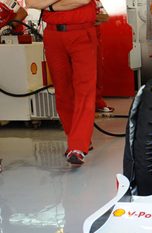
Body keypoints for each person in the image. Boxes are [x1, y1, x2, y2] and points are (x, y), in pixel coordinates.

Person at [26, 0, 97, 165]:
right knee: (62, 91)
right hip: (53, 35)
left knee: (84, 90)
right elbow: (31, 3)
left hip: (82, 33)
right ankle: (76, 136)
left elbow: (83, 0)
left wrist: (49, 6)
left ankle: (77, 146)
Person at [94, 0, 113, 113]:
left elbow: (105, 17)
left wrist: (88, 18)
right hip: (76, 37)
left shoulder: (95, 2)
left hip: (94, 39)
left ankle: (97, 103)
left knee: (97, 73)